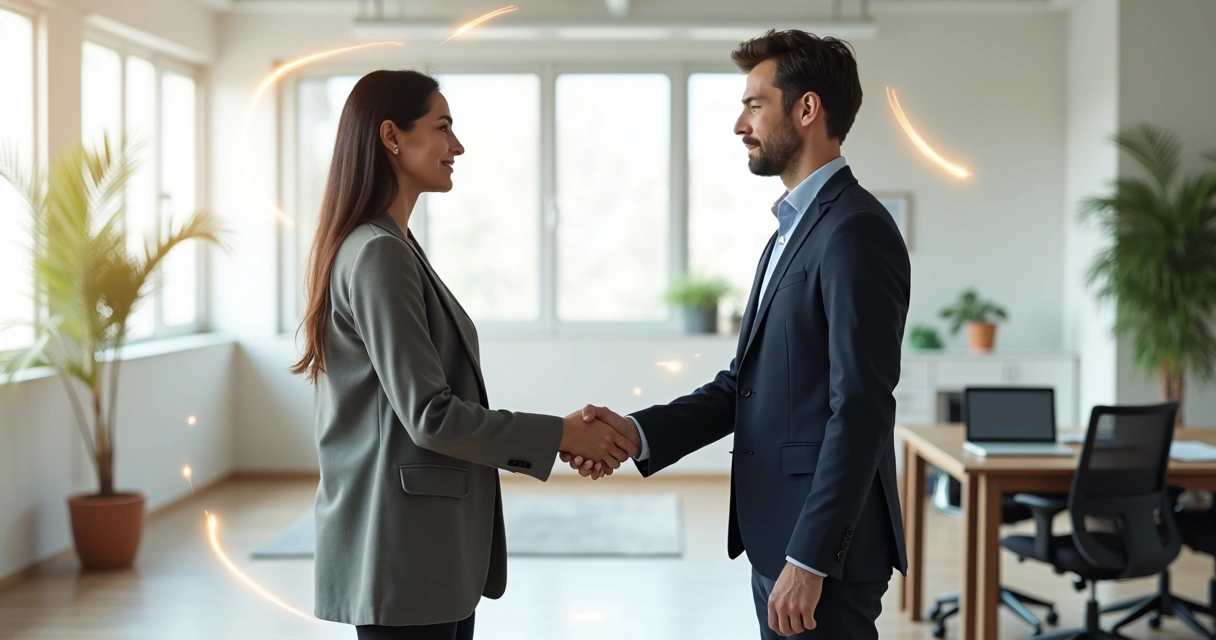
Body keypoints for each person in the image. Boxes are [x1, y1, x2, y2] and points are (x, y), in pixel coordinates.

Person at [565, 30, 911, 639]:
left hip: (819, 554)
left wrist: (810, 559)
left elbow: (861, 407)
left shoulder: (854, 230)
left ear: (807, 109)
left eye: (755, 105)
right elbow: (744, 385)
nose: (739, 125)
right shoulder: (790, 231)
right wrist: (638, 433)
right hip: (778, 537)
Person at [289, 69, 637, 640]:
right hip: (403, 550)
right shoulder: (379, 254)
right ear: (392, 137)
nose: (458, 146)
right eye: (443, 127)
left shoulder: (391, 245)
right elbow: (431, 415)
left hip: (423, 549)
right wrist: (561, 434)